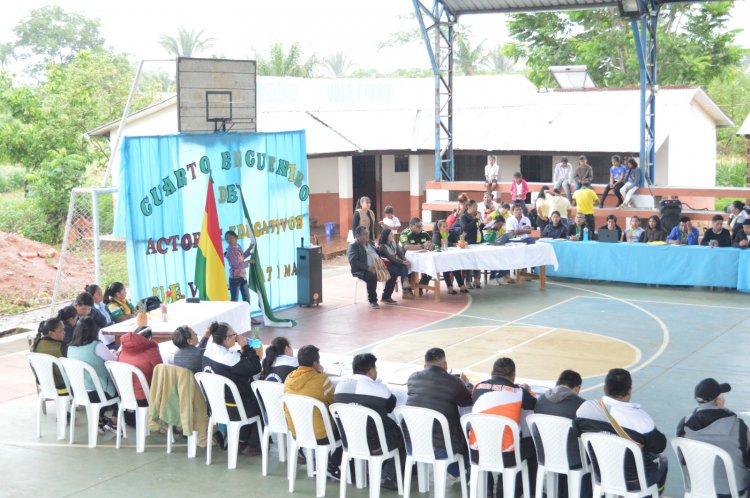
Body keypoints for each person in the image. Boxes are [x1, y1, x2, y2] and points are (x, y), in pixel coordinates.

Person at [575, 368, 668, 494]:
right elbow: (659, 447)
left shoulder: (585, 410)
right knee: (662, 460)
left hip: (601, 475)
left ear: (605, 389)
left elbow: (577, 432)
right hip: (633, 481)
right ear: (629, 391)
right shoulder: (641, 419)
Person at [334, 353, 404, 491]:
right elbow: (390, 407)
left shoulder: (339, 387)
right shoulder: (379, 389)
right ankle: (387, 476)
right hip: (375, 445)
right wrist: (377, 385)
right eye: (375, 368)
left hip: (349, 441)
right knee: (403, 439)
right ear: (371, 371)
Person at [472, 357, 538, 497]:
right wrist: (525, 390)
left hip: (477, 453)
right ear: (513, 375)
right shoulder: (520, 393)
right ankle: (526, 491)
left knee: (486, 436)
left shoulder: (477, 388)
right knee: (533, 445)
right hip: (507, 457)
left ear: (492, 373)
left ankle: (487, 488)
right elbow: (535, 404)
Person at [676, 378, 750, 498]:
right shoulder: (738, 426)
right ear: (719, 401)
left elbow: (683, 459)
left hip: (698, 491)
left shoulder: (683, 425)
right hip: (733, 492)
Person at [406, 348, 472, 479]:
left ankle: (453, 470)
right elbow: (467, 402)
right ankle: (455, 470)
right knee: (471, 440)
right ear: (445, 365)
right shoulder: (454, 382)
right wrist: (466, 385)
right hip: (441, 448)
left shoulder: (412, 378)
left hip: (413, 444)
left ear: (424, 365)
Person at [202, 321, 262, 455]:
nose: (236, 336)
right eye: (233, 334)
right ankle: (253, 445)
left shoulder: (208, 351)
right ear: (225, 339)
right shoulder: (230, 359)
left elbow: (201, 347)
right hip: (233, 408)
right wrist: (246, 347)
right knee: (260, 403)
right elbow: (256, 367)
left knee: (247, 397)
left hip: (214, 406)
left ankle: (240, 440)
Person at [284, 344, 342, 479]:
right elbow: (334, 404)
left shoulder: (288, 379)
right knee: (344, 431)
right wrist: (321, 374)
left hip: (296, 431)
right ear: (315, 363)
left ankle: (320, 462)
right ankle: (332, 464)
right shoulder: (321, 380)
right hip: (320, 435)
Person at [66, 316, 118, 433]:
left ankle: (99, 419)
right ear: (94, 330)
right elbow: (113, 361)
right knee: (120, 391)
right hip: (97, 393)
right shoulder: (97, 345)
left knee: (103, 388)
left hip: (79, 392)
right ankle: (114, 422)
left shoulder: (70, 347)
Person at [534, 370, 586, 468]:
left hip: (544, 456)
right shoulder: (582, 405)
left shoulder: (540, 399)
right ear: (577, 388)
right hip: (572, 459)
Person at [118, 326, 162, 426]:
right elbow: (160, 371)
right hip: (143, 398)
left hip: (124, 395)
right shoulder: (152, 350)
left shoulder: (122, 349)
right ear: (149, 338)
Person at [349, 225, 398, 308]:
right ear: (358, 236)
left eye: (367, 233)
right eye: (364, 234)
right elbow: (354, 261)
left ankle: (386, 296)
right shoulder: (353, 246)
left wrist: (381, 249)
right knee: (372, 275)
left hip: (377, 266)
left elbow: (378, 253)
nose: (367, 236)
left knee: (394, 271)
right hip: (362, 270)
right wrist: (368, 268)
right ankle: (372, 300)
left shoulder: (370, 243)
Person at [30, 318, 68, 395]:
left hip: (44, 385)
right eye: (61, 331)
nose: (64, 332)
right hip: (62, 388)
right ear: (51, 333)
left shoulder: (35, 345)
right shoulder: (62, 347)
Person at [432, 219, 469, 294]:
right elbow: (439, 243)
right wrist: (452, 244)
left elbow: (456, 241)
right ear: (439, 228)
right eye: (444, 226)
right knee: (447, 267)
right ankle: (449, 287)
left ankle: (461, 285)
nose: (446, 228)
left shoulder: (450, 233)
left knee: (455, 266)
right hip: (440, 257)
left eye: (447, 226)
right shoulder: (437, 234)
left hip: (450, 255)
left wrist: (459, 243)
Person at [224, 229, 255, 314]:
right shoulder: (230, 251)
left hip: (242, 277)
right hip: (235, 279)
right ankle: (232, 320)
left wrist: (249, 249)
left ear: (236, 237)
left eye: (231, 238)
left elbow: (242, 257)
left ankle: (248, 318)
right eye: (227, 239)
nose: (229, 240)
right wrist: (248, 262)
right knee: (234, 301)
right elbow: (237, 265)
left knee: (247, 299)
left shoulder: (238, 246)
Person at [400, 217, 433, 296]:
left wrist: (430, 245)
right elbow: (407, 247)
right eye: (418, 226)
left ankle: (420, 287)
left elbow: (431, 244)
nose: (420, 228)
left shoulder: (424, 233)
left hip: (421, 258)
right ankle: (407, 290)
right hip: (405, 257)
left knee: (432, 266)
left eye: (421, 226)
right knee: (407, 266)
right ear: (411, 226)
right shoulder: (405, 233)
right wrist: (422, 246)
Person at [378, 227, 412, 297]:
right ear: (386, 236)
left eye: (392, 234)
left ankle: (405, 286)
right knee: (398, 270)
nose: (393, 235)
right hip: (385, 265)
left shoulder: (393, 242)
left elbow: (400, 254)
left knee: (404, 266)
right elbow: (391, 258)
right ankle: (405, 289)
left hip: (393, 263)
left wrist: (405, 260)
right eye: (391, 234)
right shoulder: (382, 246)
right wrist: (404, 262)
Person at [460, 200, 484, 288]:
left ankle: (477, 279)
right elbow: (466, 228)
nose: (476, 209)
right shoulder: (464, 217)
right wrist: (476, 219)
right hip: (468, 242)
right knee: (469, 262)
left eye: (477, 207)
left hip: (478, 242)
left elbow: (479, 227)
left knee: (478, 261)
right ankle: (468, 281)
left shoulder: (476, 217)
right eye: (475, 207)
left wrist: (487, 225)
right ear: (468, 207)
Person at [86, 284, 115, 349]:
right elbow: (96, 327)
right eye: (99, 294)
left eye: (101, 293)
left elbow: (112, 318)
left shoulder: (104, 306)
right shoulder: (92, 310)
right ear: (92, 297)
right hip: (103, 339)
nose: (102, 295)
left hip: (112, 333)